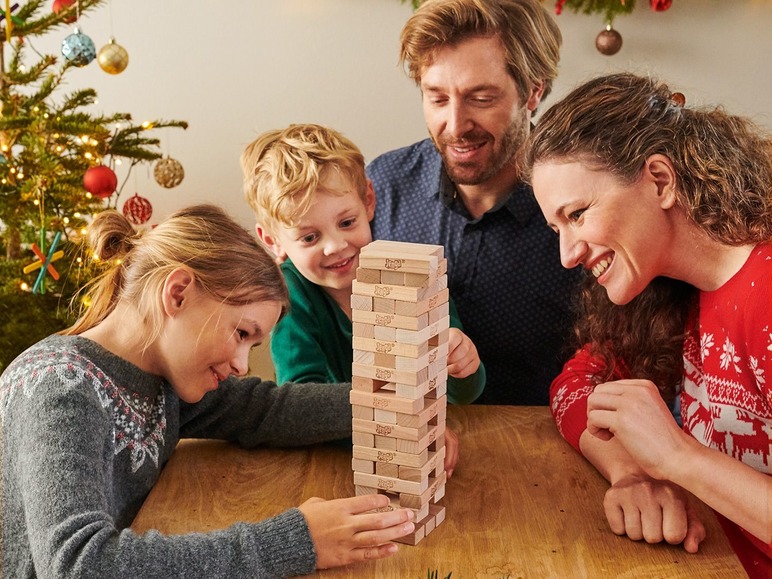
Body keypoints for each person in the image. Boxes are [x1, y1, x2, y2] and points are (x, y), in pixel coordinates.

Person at [0, 204, 417, 578]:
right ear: (178, 293)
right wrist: (296, 541)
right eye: (240, 333)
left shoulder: (161, 378)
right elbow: (78, 565)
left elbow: (264, 410)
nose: (240, 363)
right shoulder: (59, 386)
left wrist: (386, 407)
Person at [526, 72, 772, 578]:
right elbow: (576, 385)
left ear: (659, 180)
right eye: (557, 228)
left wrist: (679, 459)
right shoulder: (664, 291)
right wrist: (630, 472)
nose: (567, 254)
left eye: (578, 215)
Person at [366, 0, 581, 405]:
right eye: (437, 98)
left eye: (481, 98)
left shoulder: (584, 207)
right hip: (402, 445)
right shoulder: (384, 186)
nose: (455, 126)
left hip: (543, 448)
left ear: (533, 90)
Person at [241, 124, 486, 476]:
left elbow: (463, 395)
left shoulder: (411, 275)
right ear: (273, 241)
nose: (335, 246)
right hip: (333, 466)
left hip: (423, 459)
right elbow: (305, 407)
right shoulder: (292, 300)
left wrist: (465, 365)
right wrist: (398, 431)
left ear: (368, 201)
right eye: (309, 237)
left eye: (347, 222)